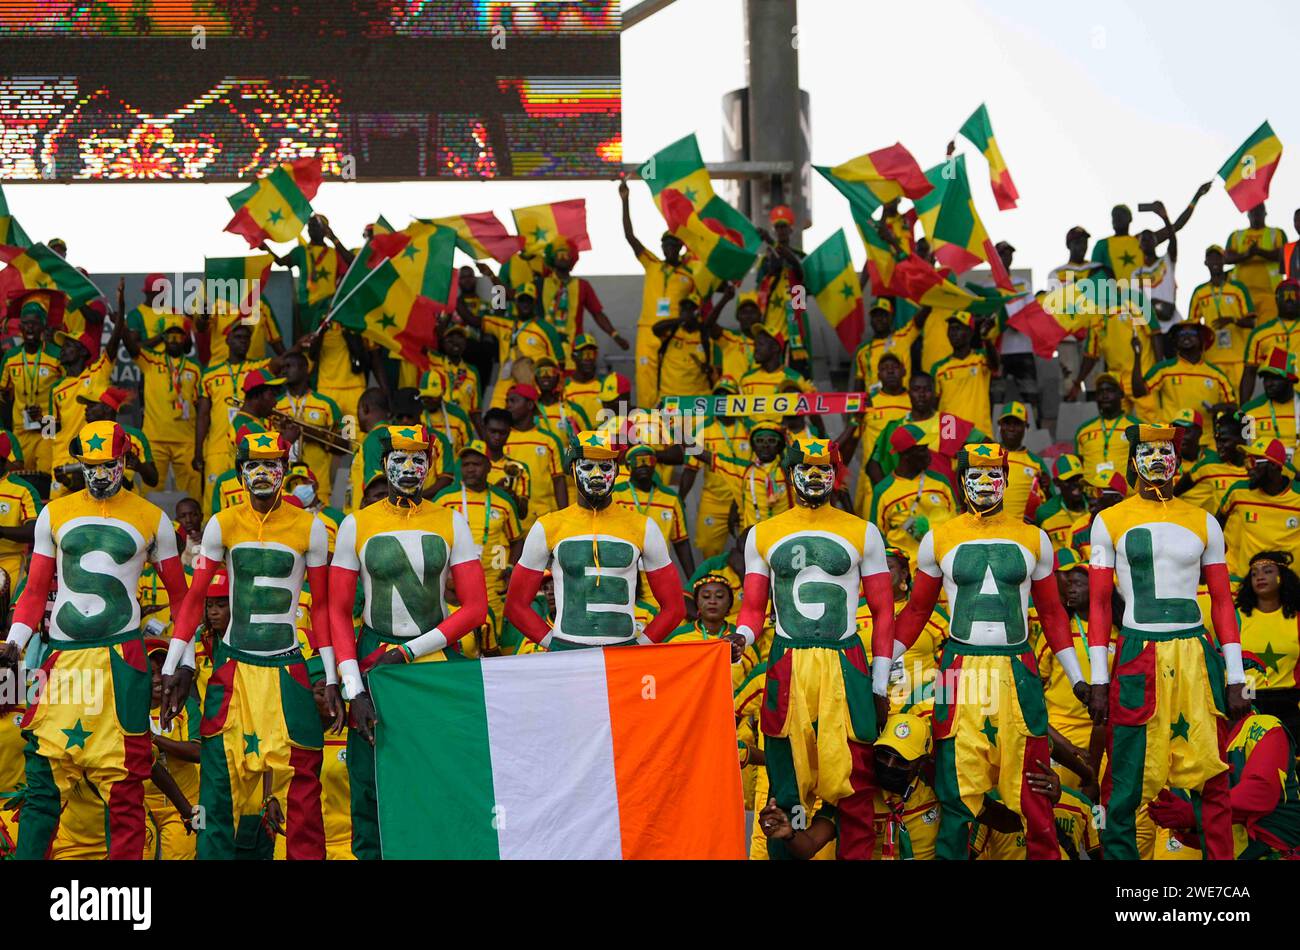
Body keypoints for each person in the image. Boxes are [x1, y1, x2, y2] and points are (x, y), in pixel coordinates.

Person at [0, 420, 189, 859]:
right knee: (43, 774)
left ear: (125, 461)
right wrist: (14, 642)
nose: (100, 474)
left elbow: (181, 598)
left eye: (108, 465)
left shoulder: (154, 519)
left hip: (123, 660)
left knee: (125, 783)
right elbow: (33, 589)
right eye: (91, 465)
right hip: (62, 656)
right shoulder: (55, 512)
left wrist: (181, 661)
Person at [891, 442, 1086, 859]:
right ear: (961, 482)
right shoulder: (937, 538)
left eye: (993, 474)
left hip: (1019, 664)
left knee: (1032, 785)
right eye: (975, 475)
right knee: (957, 787)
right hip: (957, 665)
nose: (985, 483)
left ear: (1006, 480)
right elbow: (917, 610)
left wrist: (1079, 677)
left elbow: (1052, 614)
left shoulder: (1034, 538)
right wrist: (882, 661)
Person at [158, 431, 342, 860]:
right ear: (240, 472)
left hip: (289, 667)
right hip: (233, 667)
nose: (262, 473)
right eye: (253, 466)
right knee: (217, 791)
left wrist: (332, 676)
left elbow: (321, 609)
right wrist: (173, 664)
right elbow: (195, 597)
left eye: (271, 464)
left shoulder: (311, 528)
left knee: (302, 790)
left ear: (284, 470)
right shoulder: (223, 522)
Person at [1086, 423, 1248, 860]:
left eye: (1166, 450)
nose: (1157, 458)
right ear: (1134, 458)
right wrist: (1099, 680)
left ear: (1178, 459)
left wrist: (1237, 676)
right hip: (1138, 650)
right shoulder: (1108, 520)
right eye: (1147, 449)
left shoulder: (1204, 521)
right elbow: (1099, 606)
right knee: (1123, 779)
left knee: (1212, 774)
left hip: (1196, 652)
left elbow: (1222, 603)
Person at [328, 424, 488, 859]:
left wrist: (409, 651)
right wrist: (351, 686)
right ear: (383, 464)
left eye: (419, 459)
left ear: (431, 464)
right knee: (369, 775)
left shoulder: (452, 520)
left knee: (441, 769)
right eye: (399, 458)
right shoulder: (355, 524)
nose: (409, 467)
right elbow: (337, 612)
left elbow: (475, 608)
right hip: (371, 660)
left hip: (432, 660)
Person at [735, 432, 896, 860]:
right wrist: (740, 638)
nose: (813, 476)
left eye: (823, 469)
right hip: (788, 661)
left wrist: (879, 685)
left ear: (836, 475)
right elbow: (752, 610)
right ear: (790, 473)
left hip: (847, 662)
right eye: (805, 468)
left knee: (855, 780)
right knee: (786, 778)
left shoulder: (864, 532)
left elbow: (883, 612)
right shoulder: (762, 534)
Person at [503, 429, 685, 651]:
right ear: (572, 469)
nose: (597, 475)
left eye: (606, 467)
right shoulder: (548, 526)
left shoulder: (644, 527)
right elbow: (515, 606)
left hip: (623, 653)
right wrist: (555, 645)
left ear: (617, 471)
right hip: (567, 652)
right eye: (587, 467)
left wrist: (638, 647)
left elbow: (674, 608)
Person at [1148, 711, 1300, 860]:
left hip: (1273, 850)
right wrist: (1184, 827)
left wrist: (1194, 814)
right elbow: (1194, 832)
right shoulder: (1183, 740)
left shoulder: (1266, 727)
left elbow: (1260, 792)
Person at [619, 178, 695, 406]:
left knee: (674, 376)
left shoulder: (690, 274)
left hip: (675, 332)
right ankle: (647, 422)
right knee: (645, 376)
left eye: (674, 245)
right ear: (662, 247)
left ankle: (673, 421)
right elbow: (630, 238)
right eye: (666, 245)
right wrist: (625, 201)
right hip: (647, 328)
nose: (670, 248)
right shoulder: (652, 263)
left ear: (681, 247)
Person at [433, 439, 523, 621]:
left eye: (476, 464)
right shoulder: (444, 499)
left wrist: (510, 568)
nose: (471, 469)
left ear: (489, 467)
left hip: (492, 580)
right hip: (454, 581)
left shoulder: (503, 501)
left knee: (492, 633)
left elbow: (517, 539)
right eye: (466, 464)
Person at [194, 322, 275, 513]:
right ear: (227, 340)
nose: (243, 342)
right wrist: (198, 450)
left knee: (242, 494)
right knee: (213, 499)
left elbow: (280, 363)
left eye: (247, 339)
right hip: (217, 448)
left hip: (244, 447)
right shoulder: (210, 374)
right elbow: (203, 415)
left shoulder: (257, 368)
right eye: (238, 337)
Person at [677, 378, 751, 558]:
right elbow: (691, 469)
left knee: (751, 551)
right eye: (719, 396)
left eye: (728, 396)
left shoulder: (750, 428)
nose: (723, 401)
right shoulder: (704, 429)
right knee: (708, 548)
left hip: (746, 499)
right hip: (714, 501)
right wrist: (680, 498)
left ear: (738, 399)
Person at [1235, 550, 1300, 740]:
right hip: (1247, 702)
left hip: (1289, 704)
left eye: (1267, 571)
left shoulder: (1297, 619)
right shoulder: (1236, 617)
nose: (1260, 577)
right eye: (1254, 573)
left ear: (1282, 576)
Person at [1218, 437, 1300, 581]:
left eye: (1253, 462)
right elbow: (1216, 523)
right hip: (1245, 583)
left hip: (1290, 587)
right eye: (1246, 462)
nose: (1248, 468)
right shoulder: (1239, 492)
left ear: (1274, 466)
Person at [839, 353, 910, 516]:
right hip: (874, 479)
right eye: (885, 369)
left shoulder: (915, 401)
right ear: (878, 376)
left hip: (907, 477)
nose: (890, 372)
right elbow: (853, 440)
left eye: (894, 367)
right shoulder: (869, 403)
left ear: (904, 371)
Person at [664, 572, 758, 690]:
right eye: (706, 597)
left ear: (729, 603)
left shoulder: (741, 639)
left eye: (719, 596)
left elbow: (753, 682)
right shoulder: (677, 638)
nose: (712, 601)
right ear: (697, 602)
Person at [539, 239, 627, 365]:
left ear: (572, 259)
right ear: (552, 258)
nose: (563, 258)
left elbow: (597, 314)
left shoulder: (583, 285)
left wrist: (615, 335)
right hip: (544, 350)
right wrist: (498, 286)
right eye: (559, 254)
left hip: (573, 352)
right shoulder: (540, 284)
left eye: (567, 254)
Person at [275, 350, 344, 505]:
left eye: (289, 366)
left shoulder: (327, 404)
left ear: (305, 368)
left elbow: (344, 445)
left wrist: (307, 433)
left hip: (318, 485)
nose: (284, 370)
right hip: (283, 485)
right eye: (282, 367)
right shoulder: (274, 405)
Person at [1188, 245, 1255, 398]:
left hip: (1238, 357)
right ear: (1205, 262)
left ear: (1224, 260)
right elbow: (1193, 325)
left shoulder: (1238, 289)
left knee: (1239, 402)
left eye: (1218, 257)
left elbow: (1252, 322)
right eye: (1211, 258)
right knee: (1215, 399)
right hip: (1212, 358)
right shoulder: (1200, 292)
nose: (1214, 261)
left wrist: (1232, 320)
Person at [1131, 320, 1234, 421]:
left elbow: (1234, 406)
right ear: (1175, 341)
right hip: (1173, 436)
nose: (1186, 336)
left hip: (1206, 437)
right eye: (1181, 333)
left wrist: (1220, 407)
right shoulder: (1164, 369)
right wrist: (1137, 355)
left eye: (1192, 333)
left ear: (1202, 340)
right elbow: (1138, 392)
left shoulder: (1216, 374)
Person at [502, 383, 567, 526]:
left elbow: (559, 480)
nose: (508, 405)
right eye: (507, 401)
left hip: (543, 517)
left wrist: (564, 517)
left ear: (530, 405)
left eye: (513, 401)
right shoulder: (502, 438)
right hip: (508, 517)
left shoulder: (549, 440)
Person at [931, 312, 996, 436]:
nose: (953, 333)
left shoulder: (981, 359)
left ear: (970, 333)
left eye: (958, 329)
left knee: (974, 456)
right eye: (951, 329)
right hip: (950, 435)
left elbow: (995, 365)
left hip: (979, 434)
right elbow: (934, 405)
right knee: (961, 457)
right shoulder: (939, 368)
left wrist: (986, 338)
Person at [1175, 409, 1248, 513]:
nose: (1218, 446)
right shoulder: (1209, 464)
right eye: (1217, 441)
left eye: (1224, 440)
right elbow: (1176, 491)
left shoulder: (1257, 467)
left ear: (1242, 439)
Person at [1072, 372, 1140, 481]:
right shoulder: (1083, 431)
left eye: (1110, 390)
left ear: (1121, 394)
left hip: (1126, 496)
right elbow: (1078, 466)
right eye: (1100, 392)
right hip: (1092, 496)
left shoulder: (1137, 428)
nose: (1104, 395)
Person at [1225, 203, 1286, 322]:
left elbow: (1282, 255)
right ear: (1247, 215)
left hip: (1270, 294)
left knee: (1267, 331)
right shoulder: (1236, 235)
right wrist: (1247, 254)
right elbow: (1227, 258)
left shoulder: (1277, 233)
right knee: (1245, 331)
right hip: (1241, 295)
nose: (1256, 215)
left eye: (1259, 211)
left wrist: (1259, 252)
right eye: (1252, 212)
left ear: (1265, 213)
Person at [1242, 279, 1300, 401]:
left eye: (1294, 295)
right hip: (1276, 402)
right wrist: (1242, 410)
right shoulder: (1260, 333)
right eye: (1284, 295)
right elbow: (1249, 373)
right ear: (1276, 299)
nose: (1289, 299)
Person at [996, 402, 1052, 521]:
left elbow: (1050, 503)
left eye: (1017, 424)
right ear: (1000, 425)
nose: (1011, 428)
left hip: (1023, 531)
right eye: (1007, 423)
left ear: (1026, 427)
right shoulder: (988, 455)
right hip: (991, 529)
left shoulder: (1036, 463)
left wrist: (1047, 490)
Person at [1241, 347, 1298, 462]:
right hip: (1266, 475)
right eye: (1265, 378)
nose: (1268, 384)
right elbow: (1248, 450)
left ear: (1289, 380)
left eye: (1275, 378)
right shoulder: (1249, 412)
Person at [653, 293, 714, 398]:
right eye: (683, 308)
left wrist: (707, 369)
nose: (685, 311)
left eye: (690, 308)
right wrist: (681, 320)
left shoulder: (704, 336)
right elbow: (656, 329)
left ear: (697, 312)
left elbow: (710, 368)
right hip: (670, 396)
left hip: (697, 398)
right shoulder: (673, 330)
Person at [1033, 455, 1088, 552]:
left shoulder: (1095, 508)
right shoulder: (1045, 513)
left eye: (1078, 478)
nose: (1075, 483)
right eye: (1069, 480)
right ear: (1056, 483)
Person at [532, 356, 591, 444]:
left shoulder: (574, 410)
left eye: (551, 371)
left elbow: (590, 442)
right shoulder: (529, 412)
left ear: (558, 378)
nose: (546, 375)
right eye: (541, 372)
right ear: (535, 379)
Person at [1092, 204, 1143, 285]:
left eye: (1121, 214)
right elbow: (1094, 274)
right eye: (1114, 215)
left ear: (1130, 218)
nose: (1117, 218)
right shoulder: (1102, 244)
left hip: (1140, 295)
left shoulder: (1141, 241)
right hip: (1114, 296)